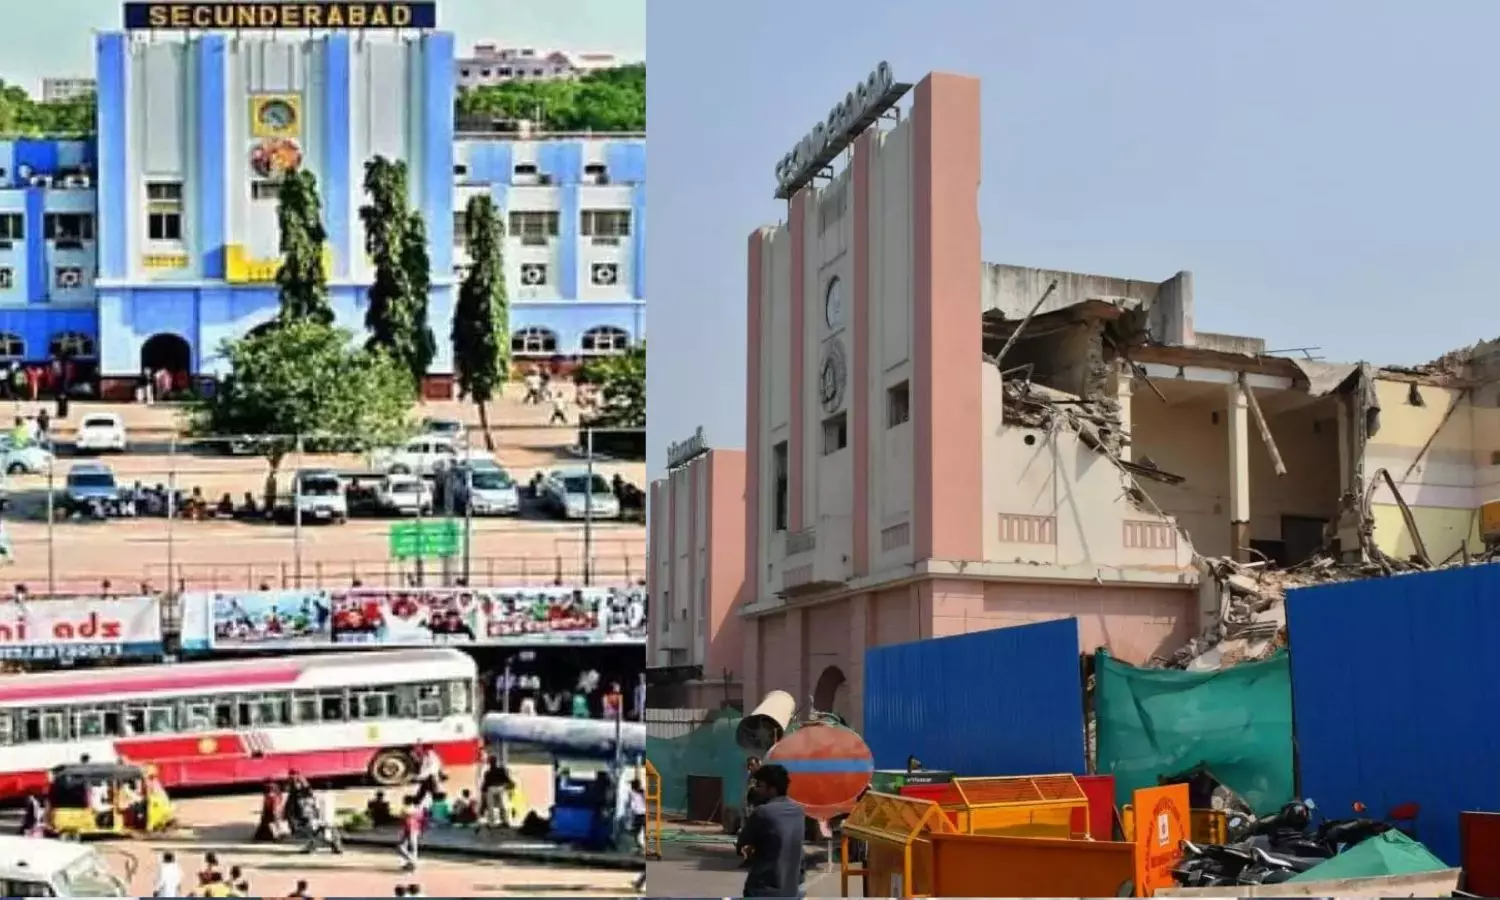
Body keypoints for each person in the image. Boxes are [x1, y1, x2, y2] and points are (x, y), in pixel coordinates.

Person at [736, 764, 805, 898]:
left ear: (772, 789)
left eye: (759, 786)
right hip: (793, 890)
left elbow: (742, 844)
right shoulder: (799, 812)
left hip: (763, 891)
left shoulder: (763, 812)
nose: (756, 790)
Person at [301, 782, 343, 854]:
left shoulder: (318, 795)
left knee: (319, 832)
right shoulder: (330, 795)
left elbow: (316, 808)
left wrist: (314, 816)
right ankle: (336, 847)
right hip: (328, 816)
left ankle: (310, 847)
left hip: (323, 817)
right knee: (329, 830)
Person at [480, 756, 514, 828]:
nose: (491, 763)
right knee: (502, 805)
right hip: (500, 788)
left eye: (491, 761)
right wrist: (510, 784)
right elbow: (507, 779)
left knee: (492, 806)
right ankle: (504, 821)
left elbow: (485, 785)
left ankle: (492, 823)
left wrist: (483, 792)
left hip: (493, 788)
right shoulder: (500, 770)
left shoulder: (488, 773)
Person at [397, 794, 423, 871]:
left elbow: (402, 817)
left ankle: (412, 861)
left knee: (401, 847)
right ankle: (410, 864)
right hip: (415, 829)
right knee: (413, 848)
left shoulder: (405, 809)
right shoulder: (417, 809)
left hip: (409, 829)